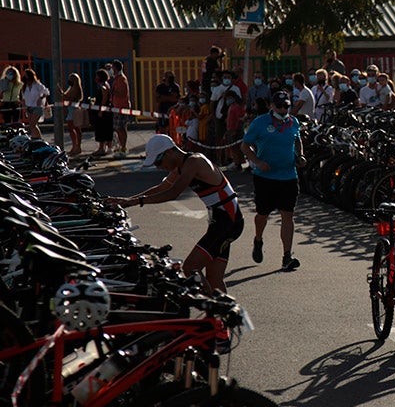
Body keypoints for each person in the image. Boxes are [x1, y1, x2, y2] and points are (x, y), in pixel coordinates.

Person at [108, 134, 244, 293]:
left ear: (169, 152)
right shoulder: (181, 166)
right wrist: (127, 200)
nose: (159, 167)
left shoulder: (194, 162)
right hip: (221, 222)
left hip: (228, 222)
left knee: (190, 268)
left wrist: (137, 202)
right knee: (214, 278)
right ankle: (226, 314)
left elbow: (173, 193)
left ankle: (214, 309)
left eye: (158, 162)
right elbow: (163, 187)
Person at [241, 90, 304, 271]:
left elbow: (297, 139)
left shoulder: (293, 122)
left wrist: (300, 155)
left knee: (288, 215)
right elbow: (245, 145)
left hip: (288, 175)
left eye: (286, 106)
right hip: (265, 178)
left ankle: (287, 256)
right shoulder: (260, 123)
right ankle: (258, 239)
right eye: (279, 106)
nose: (283, 110)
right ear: (272, 106)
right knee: (263, 215)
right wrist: (258, 162)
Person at [109, 60, 131, 158]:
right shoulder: (117, 79)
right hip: (117, 106)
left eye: (112, 68)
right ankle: (122, 146)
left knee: (121, 128)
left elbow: (122, 93)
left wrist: (112, 92)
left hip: (121, 107)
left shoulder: (122, 79)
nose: (111, 71)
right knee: (119, 128)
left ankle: (123, 147)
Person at [90, 68, 114, 157]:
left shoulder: (103, 86)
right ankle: (107, 147)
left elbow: (104, 98)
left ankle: (102, 148)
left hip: (103, 112)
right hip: (105, 111)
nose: (96, 77)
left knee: (102, 129)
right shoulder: (105, 85)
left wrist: (101, 110)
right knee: (106, 129)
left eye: (97, 76)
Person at [20, 68, 50, 138]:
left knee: (33, 123)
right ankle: (34, 137)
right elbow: (24, 98)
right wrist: (24, 107)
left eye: (26, 75)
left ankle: (39, 138)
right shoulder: (25, 86)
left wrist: (41, 98)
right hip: (28, 107)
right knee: (31, 125)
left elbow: (46, 92)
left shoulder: (37, 85)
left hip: (37, 107)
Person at [61, 72, 84, 156]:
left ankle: (76, 146)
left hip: (73, 110)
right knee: (75, 129)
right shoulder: (71, 88)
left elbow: (68, 97)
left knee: (73, 128)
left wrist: (62, 94)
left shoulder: (75, 89)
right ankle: (76, 146)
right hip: (71, 109)